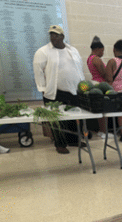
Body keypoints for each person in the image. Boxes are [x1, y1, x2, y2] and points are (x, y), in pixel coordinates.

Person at [33, 25, 85, 154]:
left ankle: (73, 140)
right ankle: (60, 144)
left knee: (74, 117)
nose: (53, 37)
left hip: (74, 91)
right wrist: (43, 88)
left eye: (56, 35)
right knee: (57, 121)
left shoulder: (72, 50)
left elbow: (79, 67)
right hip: (55, 93)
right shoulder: (43, 51)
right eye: (51, 34)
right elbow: (38, 71)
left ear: (62, 36)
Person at [87, 36, 109, 139]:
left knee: (100, 110)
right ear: (97, 49)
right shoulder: (96, 59)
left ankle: (102, 130)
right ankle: (104, 131)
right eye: (102, 51)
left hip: (95, 83)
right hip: (100, 84)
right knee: (103, 110)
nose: (103, 53)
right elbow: (104, 74)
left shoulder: (89, 58)